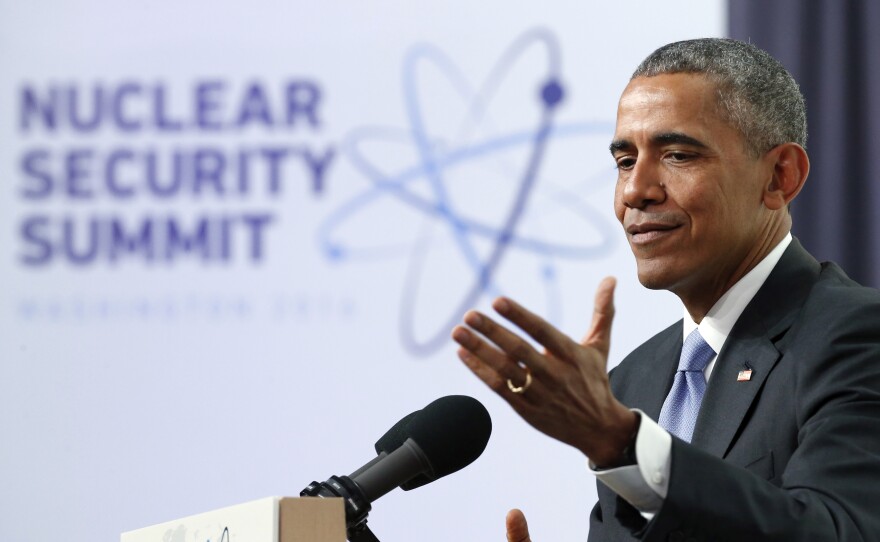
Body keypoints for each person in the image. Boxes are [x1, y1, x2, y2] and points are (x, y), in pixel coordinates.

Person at [451, 38, 880, 541]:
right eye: (625, 161)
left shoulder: (856, 337)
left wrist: (620, 442)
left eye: (677, 155)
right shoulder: (634, 382)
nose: (636, 190)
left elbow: (841, 532)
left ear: (779, 176)